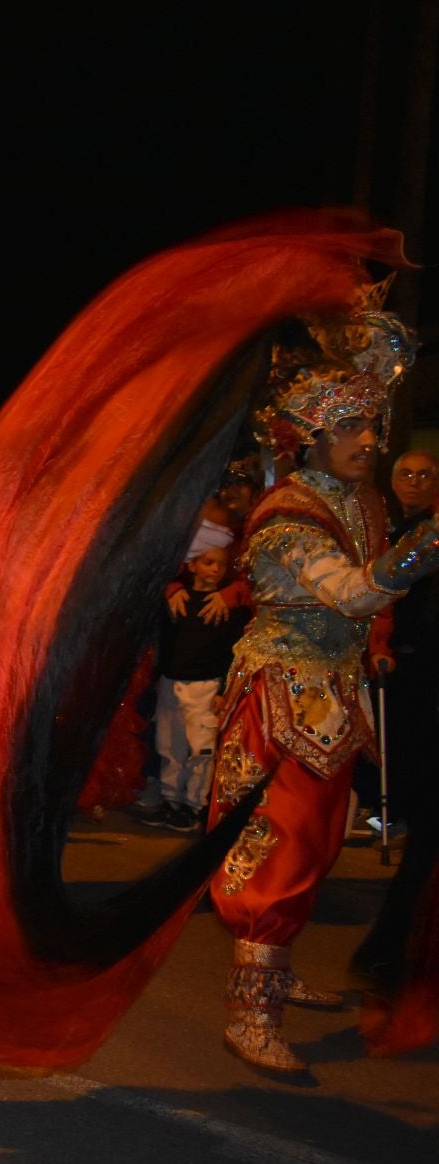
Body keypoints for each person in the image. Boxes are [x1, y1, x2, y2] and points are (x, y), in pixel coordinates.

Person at [206, 307, 439, 1073]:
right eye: (351, 430)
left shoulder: (362, 502)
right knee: (282, 847)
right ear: (310, 439)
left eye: (372, 427)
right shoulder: (286, 518)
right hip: (285, 695)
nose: (369, 442)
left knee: (323, 839)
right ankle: (251, 1012)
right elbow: (352, 592)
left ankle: (277, 969)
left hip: (333, 691)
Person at [351, 447, 439, 989]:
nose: (414, 481)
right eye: (405, 473)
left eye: (425, 474)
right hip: (411, 669)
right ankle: (394, 952)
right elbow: (377, 591)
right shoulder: (387, 524)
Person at [144, 536, 250, 832]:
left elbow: (235, 650)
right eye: (208, 562)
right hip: (171, 682)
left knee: (200, 749)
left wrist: (223, 690)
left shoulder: (228, 605)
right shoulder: (177, 599)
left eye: (221, 564)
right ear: (191, 566)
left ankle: (194, 805)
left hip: (205, 685)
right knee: (169, 745)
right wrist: (170, 588)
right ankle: (171, 800)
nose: (216, 569)